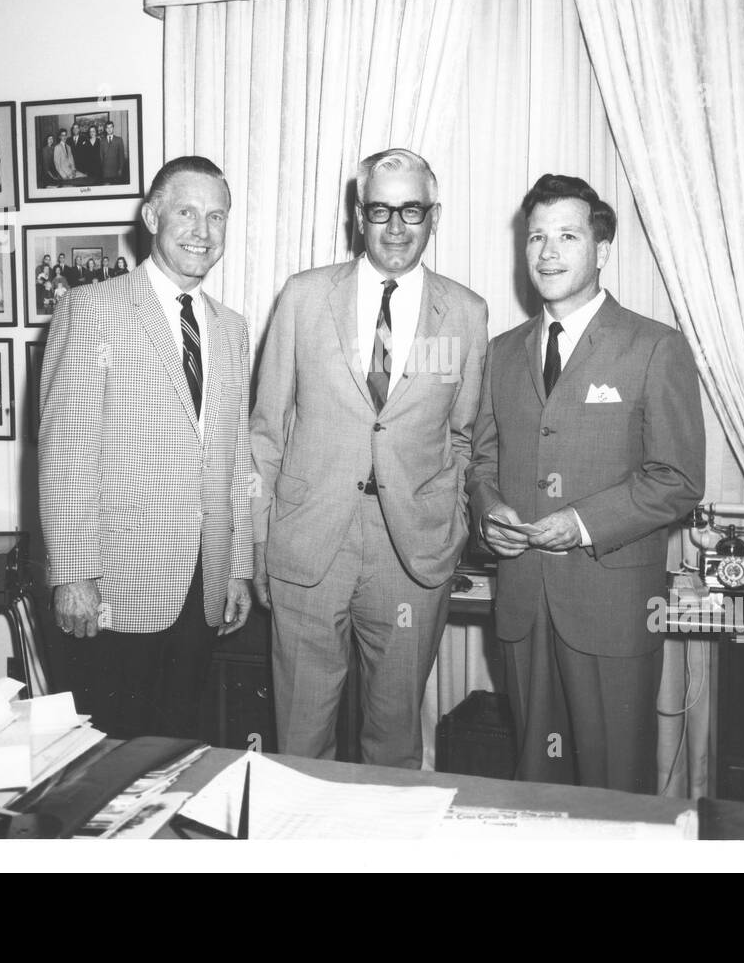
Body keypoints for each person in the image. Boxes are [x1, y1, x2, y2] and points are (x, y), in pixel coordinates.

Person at [466, 174, 705, 794]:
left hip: (612, 608)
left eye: (566, 236)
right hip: (522, 601)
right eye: (537, 237)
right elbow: (482, 463)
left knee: (612, 788)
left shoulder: (656, 347)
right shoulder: (500, 351)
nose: (547, 252)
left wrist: (578, 523)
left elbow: (677, 480)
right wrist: (489, 512)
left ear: (600, 251)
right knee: (534, 784)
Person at [251, 147, 489, 769]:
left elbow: (462, 437)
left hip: (410, 555)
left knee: (394, 743)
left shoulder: (465, 313)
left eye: (411, 210)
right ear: (359, 215)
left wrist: (451, 526)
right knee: (300, 742)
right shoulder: (304, 299)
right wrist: (257, 543)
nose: (395, 226)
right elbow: (267, 432)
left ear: (433, 217)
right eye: (380, 209)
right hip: (309, 544)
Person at [39, 155, 254, 739]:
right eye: (186, 211)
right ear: (151, 215)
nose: (202, 231)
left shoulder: (233, 329)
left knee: (177, 751)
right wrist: (73, 575)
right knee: (107, 760)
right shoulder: (91, 310)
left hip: (202, 587)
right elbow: (66, 457)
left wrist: (236, 567)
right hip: (115, 585)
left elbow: (236, 461)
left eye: (216, 216)